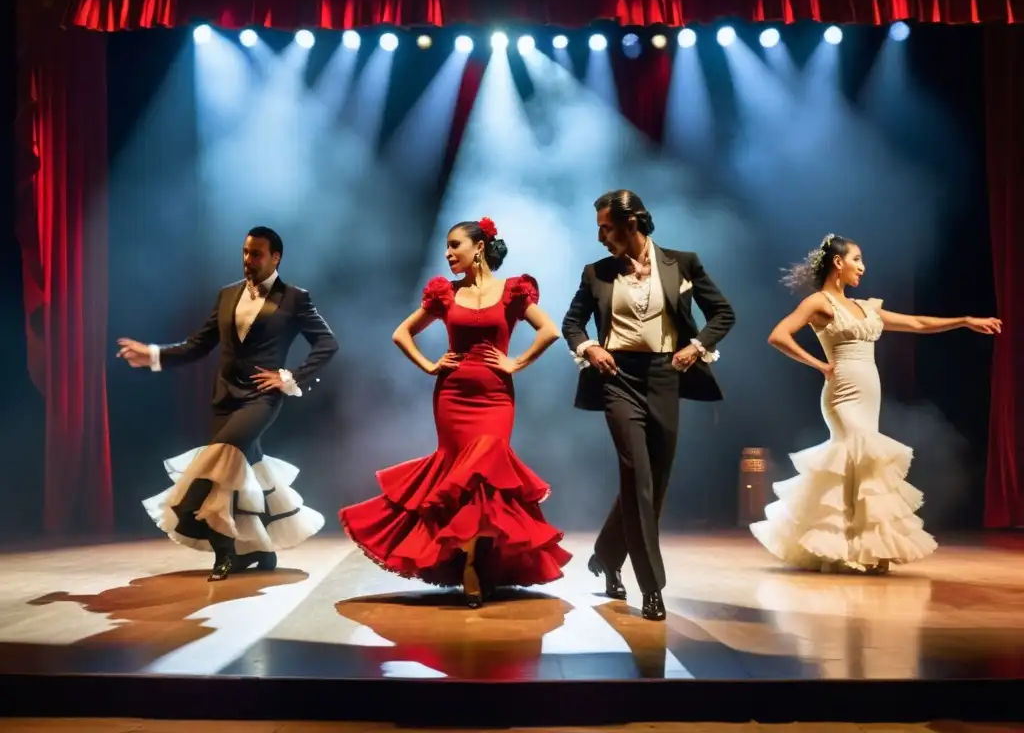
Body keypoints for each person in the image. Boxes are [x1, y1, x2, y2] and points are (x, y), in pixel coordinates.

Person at [339, 217, 571, 608]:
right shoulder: (444, 294)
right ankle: (469, 565)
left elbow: (549, 330)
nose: (447, 253)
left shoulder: (513, 291)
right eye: (446, 246)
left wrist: (517, 362)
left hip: (496, 398)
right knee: (460, 478)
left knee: (485, 474)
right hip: (453, 396)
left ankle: (480, 563)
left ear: (478, 247)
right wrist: (430, 366)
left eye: (454, 245)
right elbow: (402, 333)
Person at [750, 233, 1001, 573]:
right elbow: (778, 335)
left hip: (869, 394)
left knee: (861, 466)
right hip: (841, 395)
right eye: (857, 259)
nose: (862, 267)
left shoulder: (868, 308)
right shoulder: (820, 302)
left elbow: (917, 323)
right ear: (838, 262)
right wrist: (820, 365)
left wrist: (964, 321)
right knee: (855, 454)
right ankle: (838, 549)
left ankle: (864, 548)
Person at [116, 227, 339, 581]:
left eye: (257, 254)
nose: (249, 260)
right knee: (239, 473)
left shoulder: (295, 298)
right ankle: (258, 550)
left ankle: (198, 521)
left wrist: (290, 377)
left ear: (275, 257)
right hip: (224, 398)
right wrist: (154, 355)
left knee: (222, 457)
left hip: (261, 398)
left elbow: (327, 343)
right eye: (245, 252)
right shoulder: (227, 295)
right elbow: (197, 345)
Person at [562, 190, 735, 621]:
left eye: (607, 227)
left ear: (632, 224)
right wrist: (588, 347)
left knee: (653, 485)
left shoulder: (683, 262)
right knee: (636, 475)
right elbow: (571, 322)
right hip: (616, 377)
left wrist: (695, 347)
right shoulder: (596, 272)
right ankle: (651, 588)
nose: (601, 236)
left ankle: (605, 553)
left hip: (664, 376)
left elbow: (723, 314)